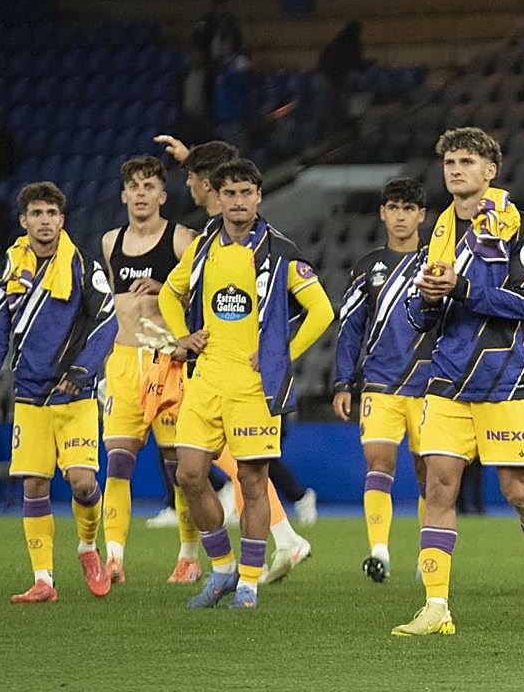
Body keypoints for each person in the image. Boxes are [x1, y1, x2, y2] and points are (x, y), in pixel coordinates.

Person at [392, 127, 524, 636]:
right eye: (449, 161)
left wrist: (462, 287)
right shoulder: (442, 230)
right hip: (447, 379)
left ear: (490, 171)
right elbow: (421, 312)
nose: (455, 169)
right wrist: (425, 301)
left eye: (466, 161)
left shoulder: (518, 227)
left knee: (519, 491)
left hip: (504, 382)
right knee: (438, 488)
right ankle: (436, 607)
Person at [159, 159, 333, 609]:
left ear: (259, 196)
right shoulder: (201, 249)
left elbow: (322, 311)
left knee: (253, 483)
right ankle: (221, 570)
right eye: (229, 194)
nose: (238, 202)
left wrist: (282, 352)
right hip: (206, 379)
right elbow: (168, 294)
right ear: (218, 199)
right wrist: (182, 335)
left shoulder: (279, 252)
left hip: (254, 387)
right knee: (190, 475)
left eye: (246, 193)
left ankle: (249, 584)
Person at [0, 182, 118, 603]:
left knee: (82, 484)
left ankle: (87, 547)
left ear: (63, 220)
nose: (45, 222)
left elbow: (108, 322)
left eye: (52, 214)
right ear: (24, 221)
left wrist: (80, 371)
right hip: (29, 394)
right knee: (35, 486)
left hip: (73, 393)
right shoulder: (10, 266)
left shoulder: (82, 267)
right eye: (36, 214)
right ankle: (44, 580)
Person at [97, 156, 199, 584]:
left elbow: (206, 291)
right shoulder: (109, 242)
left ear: (162, 195)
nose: (140, 193)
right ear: (124, 195)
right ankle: (115, 558)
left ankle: (189, 556)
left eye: (149, 186)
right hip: (123, 363)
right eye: (134, 186)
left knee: (181, 469)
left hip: (167, 362)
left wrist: (167, 287)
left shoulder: (180, 240)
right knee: (118, 461)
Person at [333, 176, 432, 581]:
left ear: (421, 215)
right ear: (382, 213)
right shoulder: (367, 268)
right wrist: (343, 382)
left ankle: (431, 556)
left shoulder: (438, 264)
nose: (400, 216)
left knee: (432, 473)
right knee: (379, 461)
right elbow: (350, 328)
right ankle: (379, 551)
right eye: (393, 208)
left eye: (408, 208)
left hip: (430, 384)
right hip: (381, 383)